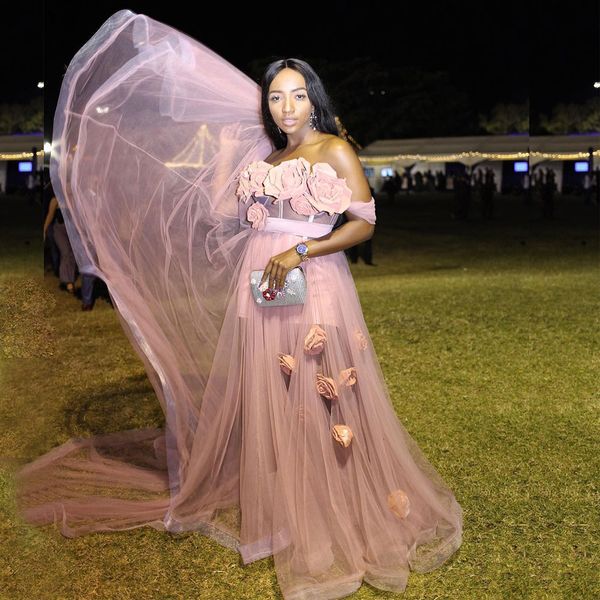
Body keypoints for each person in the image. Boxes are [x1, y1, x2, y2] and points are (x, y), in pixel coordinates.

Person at [15, 11, 462, 600]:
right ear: (267, 106)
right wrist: (229, 159)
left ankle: (336, 505)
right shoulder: (266, 161)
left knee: (322, 390)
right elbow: (224, 217)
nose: (287, 107)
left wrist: (301, 249)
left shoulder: (334, 150)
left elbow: (364, 224)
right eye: (277, 97)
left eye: (298, 95)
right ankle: (289, 505)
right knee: (274, 393)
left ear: (314, 100)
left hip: (314, 281)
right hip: (262, 288)